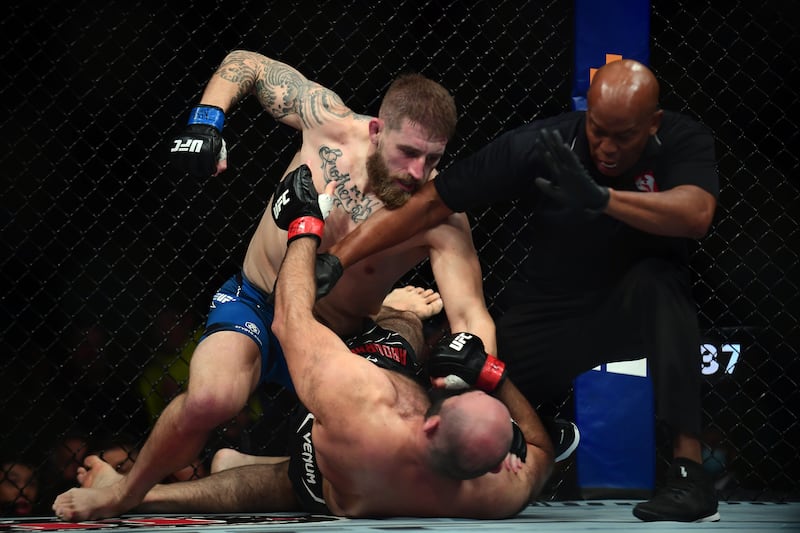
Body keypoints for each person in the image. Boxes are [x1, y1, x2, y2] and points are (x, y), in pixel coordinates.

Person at [52, 49, 496, 521]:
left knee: (379, 452)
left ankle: (242, 466)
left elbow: (471, 317)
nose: (416, 172)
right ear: (376, 129)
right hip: (258, 302)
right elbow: (247, 63)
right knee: (210, 398)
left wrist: (473, 395)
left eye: (432, 159)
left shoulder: (439, 214)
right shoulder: (331, 124)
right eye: (408, 152)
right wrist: (207, 123)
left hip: (334, 339)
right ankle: (122, 493)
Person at [315, 59, 721, 523]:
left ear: (652, 125)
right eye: (597, 130)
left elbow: (697, 214)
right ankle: (537, 435)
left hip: (636, 305)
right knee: (469, 385)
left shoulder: (684, 140)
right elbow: (432, 202)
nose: (606, 148)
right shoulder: (544, 145)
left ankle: (690, 472)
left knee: (662, 283)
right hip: (551, 311)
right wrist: (338, 258)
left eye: (623, 137)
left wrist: (603, 199)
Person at [58, 168, 554, 518]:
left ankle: (127, 492)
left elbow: (289, 318)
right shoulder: (495, 492)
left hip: (339, 449)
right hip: (346, 493)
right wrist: (493, 373)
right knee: (283, 484)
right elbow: (540, 449)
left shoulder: (364, 405)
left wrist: (303, 227)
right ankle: (213, 471)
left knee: (394, 346)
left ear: (428, 425)